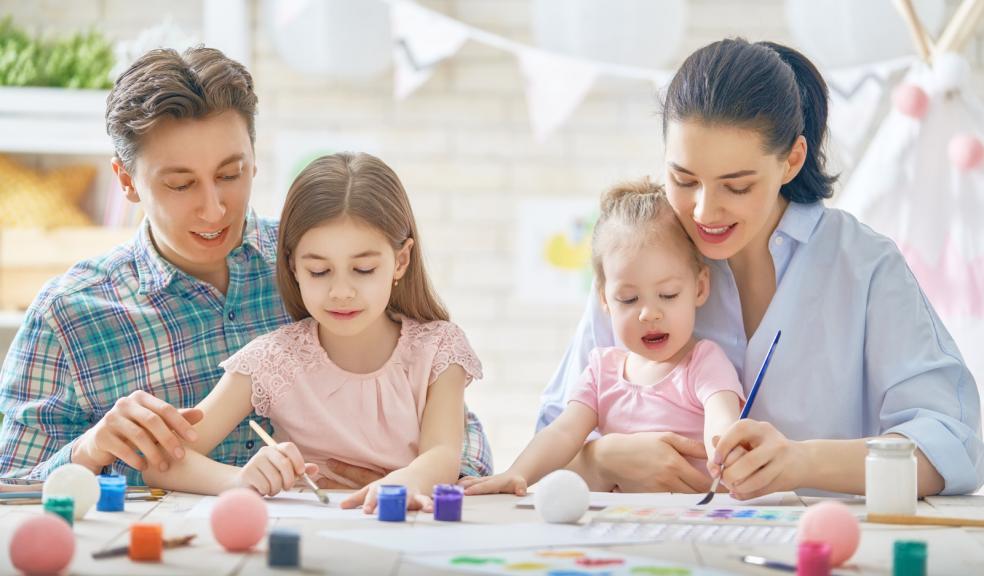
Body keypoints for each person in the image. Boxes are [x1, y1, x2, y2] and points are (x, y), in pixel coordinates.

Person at [0, 47, 492, 487]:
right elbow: (9, 484)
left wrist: (406, 477)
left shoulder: (321, 255)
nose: (214, 209)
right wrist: (88, 453)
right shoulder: (68, 313)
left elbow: (454, 434)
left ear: (255, 160)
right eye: (180, 184)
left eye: (230, 174)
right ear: (126, 181)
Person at [540, 38, 983, 498]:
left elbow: (952, 448)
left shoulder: (864, 266)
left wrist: (803, 461)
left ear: (791, 160)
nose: (705, 211)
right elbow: (548, 441)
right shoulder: (639, 255)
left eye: (737, 185)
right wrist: (602, 459)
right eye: (684, 180)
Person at [143, 152, 481, 512]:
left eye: (363, 269)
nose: (341, 291)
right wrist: (239, 479)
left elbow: (442, 455)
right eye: (320, 271)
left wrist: (398, 486)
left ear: (400, 261)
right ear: (293, 266)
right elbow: (164, 462)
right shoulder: (274, 359)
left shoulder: (438, 349)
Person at [461, 179, 744, 496]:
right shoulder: (602, 371)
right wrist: (517, 474)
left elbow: (723, 422)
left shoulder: (704, 362)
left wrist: (726, 451)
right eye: (628, 299)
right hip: (619, 524)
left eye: (668, 294)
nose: (648, 314)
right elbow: (563, 433)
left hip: (692, 520)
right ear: (605, 300)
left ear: (701, 288)